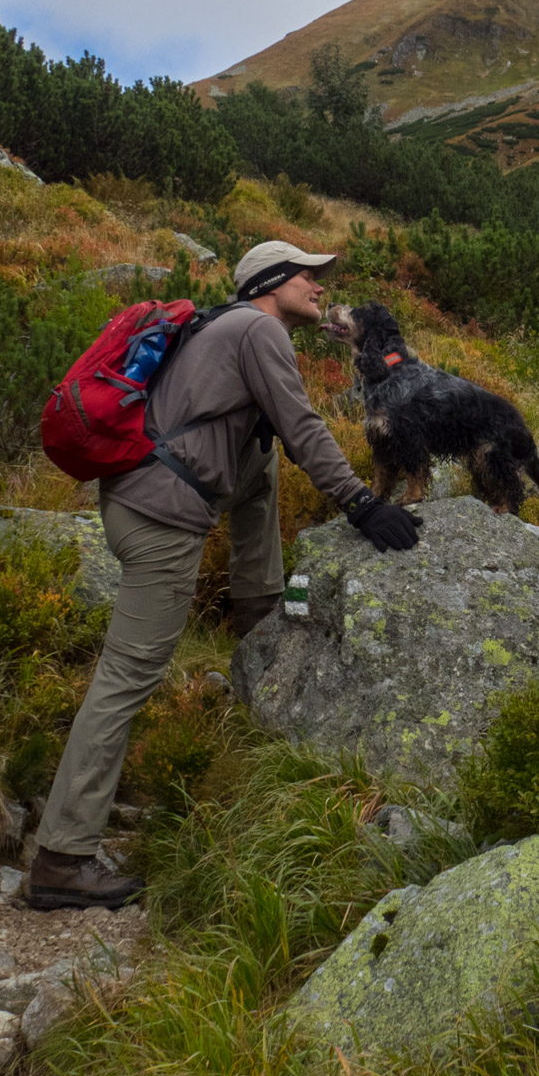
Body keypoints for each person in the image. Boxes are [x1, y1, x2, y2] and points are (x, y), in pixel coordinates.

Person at [27, 240, 422, 910]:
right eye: (306, 274)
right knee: (125, 681)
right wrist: (359, 503)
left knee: (260, 460)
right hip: (162, 524)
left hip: (140, 499)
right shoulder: (259, 329)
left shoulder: (224, 326)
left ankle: (258, 612)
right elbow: (305, 426)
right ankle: (62, 858)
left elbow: (276, 442)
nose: (319, 286)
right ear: (269, 281)